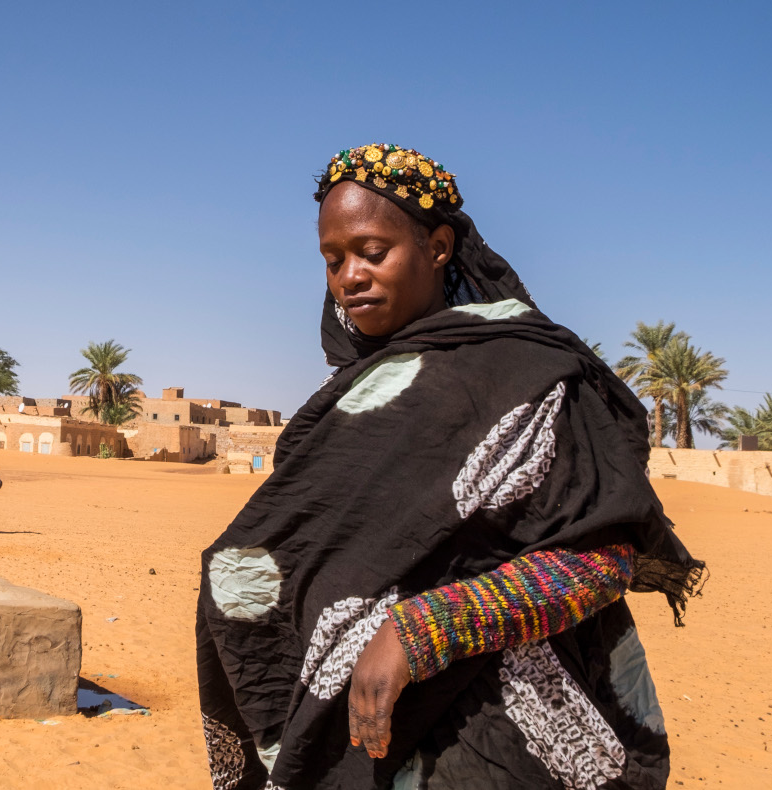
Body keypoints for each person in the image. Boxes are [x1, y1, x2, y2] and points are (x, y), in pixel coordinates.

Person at [196, 143, 705, 790]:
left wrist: (420, 632)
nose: (349, 276)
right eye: (332, 260)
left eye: (372, 251)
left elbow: (603, 555)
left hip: (498, 746)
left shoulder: (529, 373)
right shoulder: (346, 403)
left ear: (437, 247)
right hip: (361, 748)